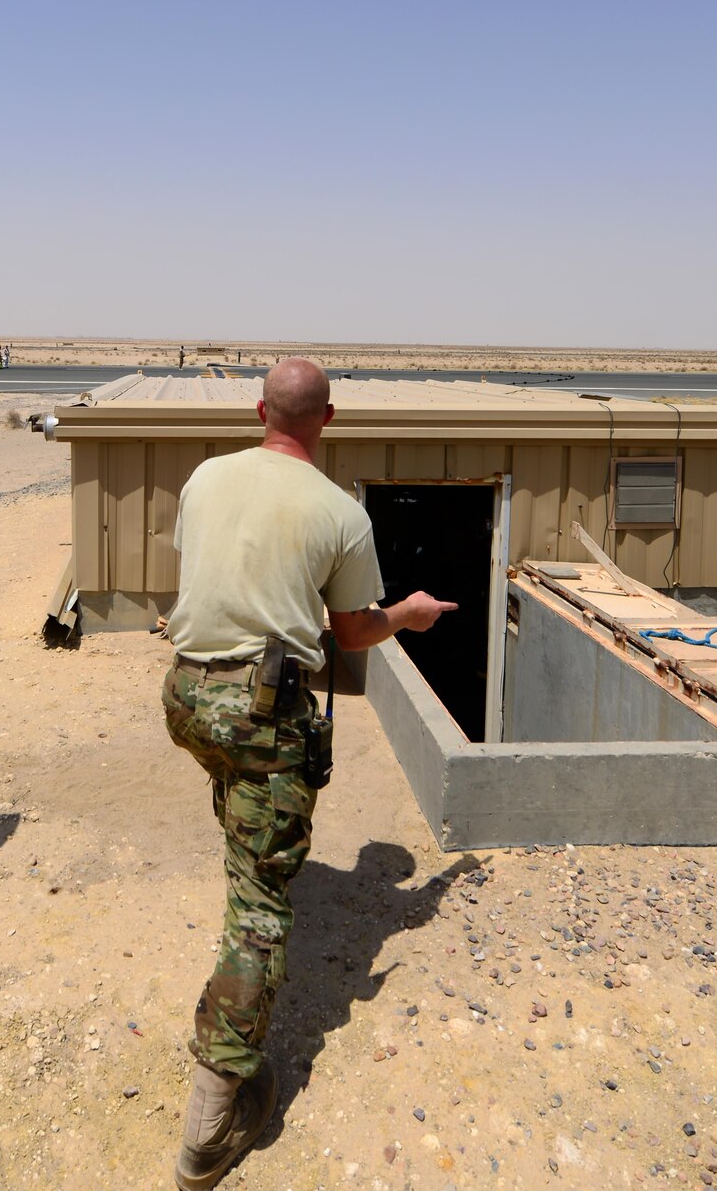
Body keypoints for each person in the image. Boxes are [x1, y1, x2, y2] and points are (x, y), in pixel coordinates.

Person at [162, 358, 455, 1190]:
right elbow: (353, 632)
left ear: (261, 411)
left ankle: (243, 832)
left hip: (189, 700)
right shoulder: (339, 511)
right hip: (261, 714)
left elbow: (207, 576)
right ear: (329, 417)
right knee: (260, 908)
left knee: (239, 796)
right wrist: (411, 614)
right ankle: (211, 1126)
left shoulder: (205, 477)